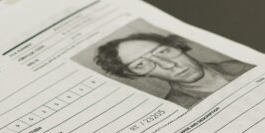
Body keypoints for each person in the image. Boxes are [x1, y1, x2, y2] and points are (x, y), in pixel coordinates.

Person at [93, 33, 252, 108]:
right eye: (141, 64)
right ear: (132, 74)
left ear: (176, 45)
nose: (168, 65)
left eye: (163, 51)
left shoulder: (247, 65)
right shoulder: (181, 108)